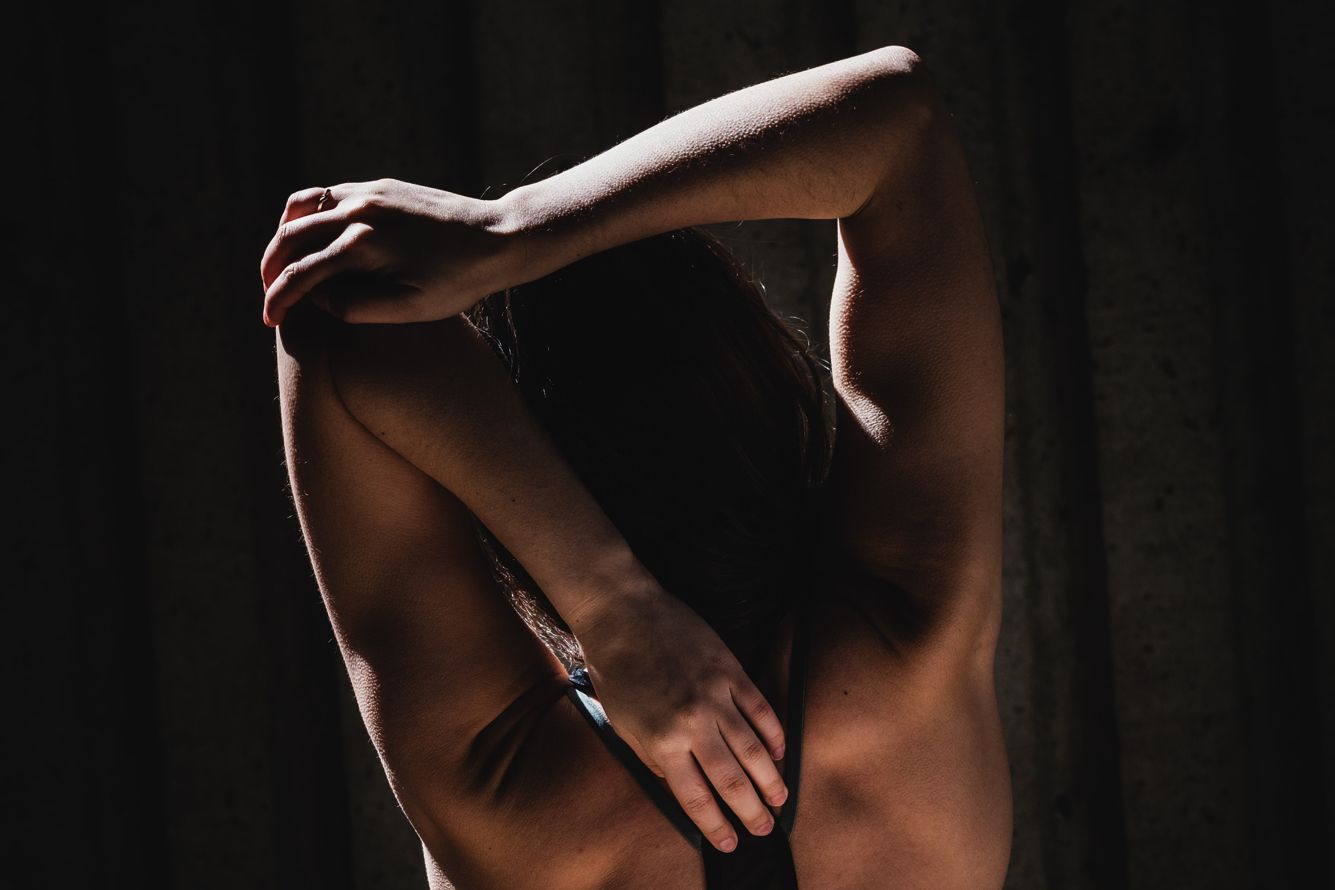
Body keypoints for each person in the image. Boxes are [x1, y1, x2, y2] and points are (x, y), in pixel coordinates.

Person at [259, 44, 1011, 889]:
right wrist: (513, 232)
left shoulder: (508, 797)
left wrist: (609, 598)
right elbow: (896, 123)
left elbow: (325, 302)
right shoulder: (911, 649)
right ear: (759, 388)